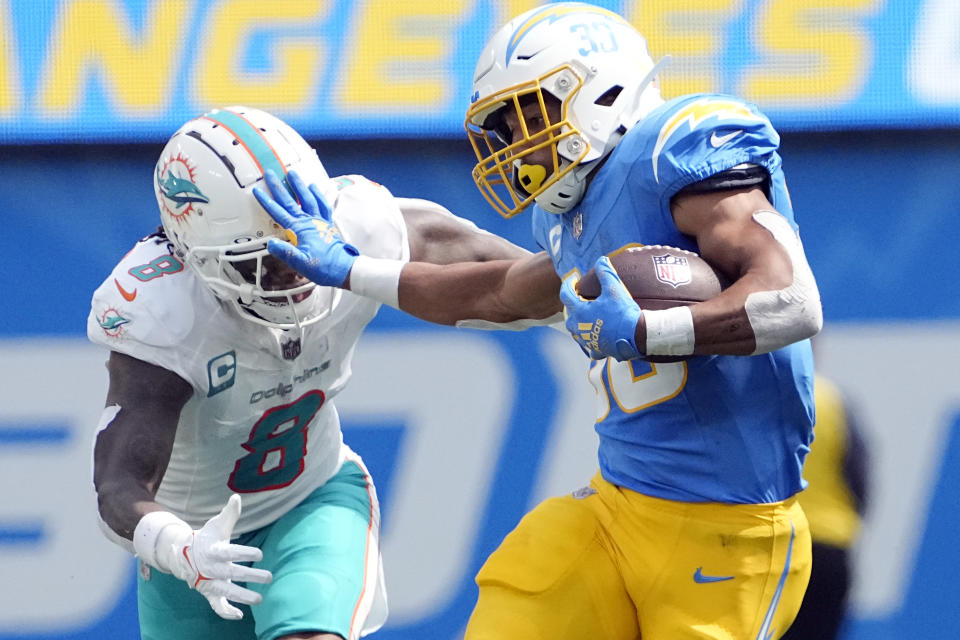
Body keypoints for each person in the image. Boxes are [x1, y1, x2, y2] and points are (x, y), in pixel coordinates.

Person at [256, 3, 824, 638]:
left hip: (732, 534)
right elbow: (489, 292)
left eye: (529, 114)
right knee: (521, 592)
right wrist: (351, 269)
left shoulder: (677, 153)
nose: (518, 143)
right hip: (615, 510)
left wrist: (646, 333)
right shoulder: (571, 216)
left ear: (600, 90)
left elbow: (793, 300)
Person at [87, 105, 535, 640]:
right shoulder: (163, 311)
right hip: (194, 538)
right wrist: (179, 548)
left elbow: (507, 278)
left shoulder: (359, 222)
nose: (297, 278)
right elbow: (118, 485)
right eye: (264, 262)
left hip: (312, 500)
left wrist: (585, 301)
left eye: (302, 246)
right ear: (198, 258)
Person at [783, 373, 870, 639]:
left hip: (778, 544)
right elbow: (859, 477)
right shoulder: (832, 399)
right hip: (829, 549)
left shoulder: (755, 397)